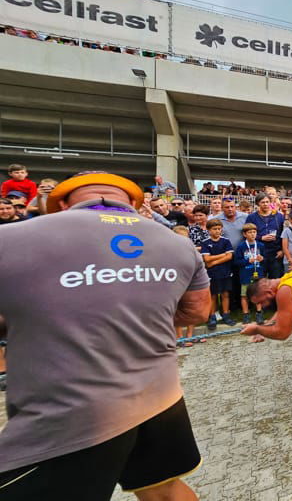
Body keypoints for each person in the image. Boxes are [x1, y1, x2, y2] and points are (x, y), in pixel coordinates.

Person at [0, 171, 210, 500]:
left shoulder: (10, 238)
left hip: (67, 415)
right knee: (163, 490)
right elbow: (198, 312)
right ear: (131, 201)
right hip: (160, 394)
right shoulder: (178, 243)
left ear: (63, 202)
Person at [200, 219, 236, 330]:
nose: (217, 231)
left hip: (225, 272)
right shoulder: (205, 242)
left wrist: (213, 262)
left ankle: (226, 314)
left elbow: (229, 256)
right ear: (209, 230)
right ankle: (212, 316)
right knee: (213, 295)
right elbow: (206, 258)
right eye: (214, 229)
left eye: (219, 229)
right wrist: (222, 255)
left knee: (225, 294)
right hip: (212, 274)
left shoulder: (225, 241)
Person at [246, 194, 285, 279]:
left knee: (275, 280)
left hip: (275, 253)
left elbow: (284, 235)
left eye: (267, 202)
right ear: (257, 204)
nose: (265, 204)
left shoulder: (279, 216)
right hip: (258, 253)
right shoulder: (252, 217)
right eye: (262, 202)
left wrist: (282, 250)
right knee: (259, 281)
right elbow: (247, 234)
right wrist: (261, 238)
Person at [234, 223, 265, 324]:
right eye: (250, 232)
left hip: (258, 274)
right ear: (244, 234)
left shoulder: (260, 245)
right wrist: (247, 261)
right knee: (244, 295)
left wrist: (262, 259)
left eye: (254, 232)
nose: (252, 234)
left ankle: (259, 313)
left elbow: (266, 260)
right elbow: (237, 262)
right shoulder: (241, 247)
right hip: (246, 274)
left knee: (258, 294)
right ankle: (246, 314)